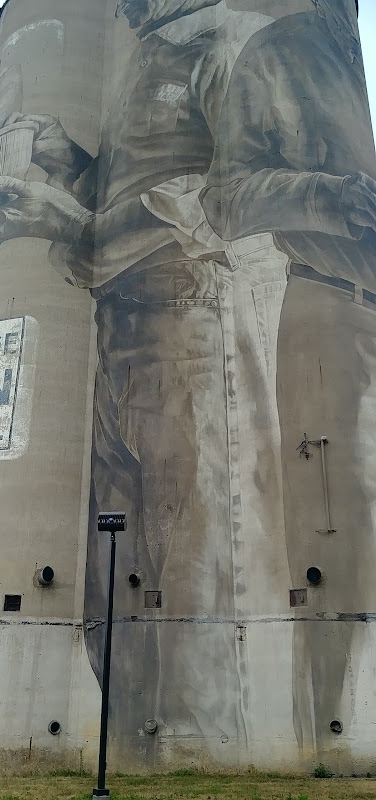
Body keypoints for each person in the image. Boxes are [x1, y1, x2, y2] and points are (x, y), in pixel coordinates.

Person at [0, 0, 273, 764]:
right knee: (112, 571)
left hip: (182, 323)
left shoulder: (228, 46)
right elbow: (125, 192)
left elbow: (218, 199)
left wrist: (69, 219)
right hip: (116, 328)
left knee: (190, 552)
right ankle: (134, 745)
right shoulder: (144, 52)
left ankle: (199, 749)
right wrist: (68, 158)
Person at [199, 0, 376, 763]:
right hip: (328, 304)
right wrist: (329, 196)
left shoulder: (350, 47)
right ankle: (324, 742)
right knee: (328, 535)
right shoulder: (279, 51)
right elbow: (225, 196)